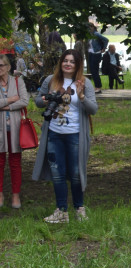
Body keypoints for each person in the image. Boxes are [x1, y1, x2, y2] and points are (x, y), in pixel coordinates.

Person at [32, 49, 98, 223]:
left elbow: (94, 109)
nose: (68, 64)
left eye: (72, 62)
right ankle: (61, 211)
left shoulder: (84, 83)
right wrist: (46, 98)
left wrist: (82, 97)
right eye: (65, 61)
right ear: (60, 62)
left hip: (75, 135)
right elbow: (38, 101)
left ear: (77, 65)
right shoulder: (50, 80)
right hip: (54, 134)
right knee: (58, 173)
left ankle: (79, 209)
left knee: (76, 173)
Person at [0, 54, 30, 210]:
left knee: (15, 162)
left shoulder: (18, 81)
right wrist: (10, 100)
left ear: (8, 67)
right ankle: (0, 194)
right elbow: (17, 99)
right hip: (0, 130)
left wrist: (6, 107)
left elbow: (24, 100)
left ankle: (15, 195)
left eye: (1, 65)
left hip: (16, 128)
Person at [86, 23, 108, 91]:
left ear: (93, 27)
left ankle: (98, 86)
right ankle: (96, 86)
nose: (89, 29)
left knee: (95, 71)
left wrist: (103, 48)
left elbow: (106, 40)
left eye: (90, 27)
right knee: (92, 71)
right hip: (91, 53)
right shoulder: (89, 35)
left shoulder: (96, 34)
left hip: (96, 53)